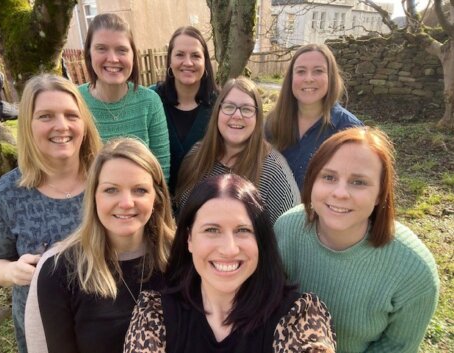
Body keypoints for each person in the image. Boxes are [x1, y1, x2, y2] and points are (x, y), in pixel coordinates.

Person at [124, 174, 336, 353]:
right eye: (212, 230)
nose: (229, 249)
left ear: (260, 240)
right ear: (189, 239)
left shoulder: (298, 316)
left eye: (242, 230)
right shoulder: (155, 313)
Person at [275, 127, 440, 352]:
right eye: (329, 177)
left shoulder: (414, 271)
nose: (340, 193)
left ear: (381, 193)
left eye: (359, 182)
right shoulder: (286, 229)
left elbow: (397, 347)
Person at [0, 73, 102, 353]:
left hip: (107, 324)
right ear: (27, 125)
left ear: (84, 122)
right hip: (45, 333)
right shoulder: (7, 194)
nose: (61, 126)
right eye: (46, 116)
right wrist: (12, 271)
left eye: (71, 115)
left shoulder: (107, 179)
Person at [25, 138, 175, 353]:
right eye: (111, 190)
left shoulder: (184, 257)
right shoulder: (58, 270)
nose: (126, 202)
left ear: (157, 197)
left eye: (140, 190)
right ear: (93, 196)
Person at [176, 76, 300, 224]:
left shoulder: (274, 174)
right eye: (229, 107)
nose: (237, 115)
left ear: (257, 118)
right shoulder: (196, 156)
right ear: (218, 112)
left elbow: (288, 234)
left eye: (247, 109)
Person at [80, 13, 170, 180]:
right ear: (89, 54)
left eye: (121, 50)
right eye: (101, 48)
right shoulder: (75, 101)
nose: (113, 59)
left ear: (133, 56)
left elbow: (161, 174)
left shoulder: (149, 102)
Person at [265, 43, 363, 191]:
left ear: (330, 77)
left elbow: (357, 187)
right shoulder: (273, 123)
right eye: (301, 71)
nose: (309, 79)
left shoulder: (348, 129)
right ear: (291, 78)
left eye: (318, 71)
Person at [151, 26, 219, 193]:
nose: (188, 62)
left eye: (195, 55)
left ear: (205, 63)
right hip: (158, 204)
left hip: (204, 205)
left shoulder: (220, 104)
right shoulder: (151, 100)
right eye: (180, 54)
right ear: (170, 61)